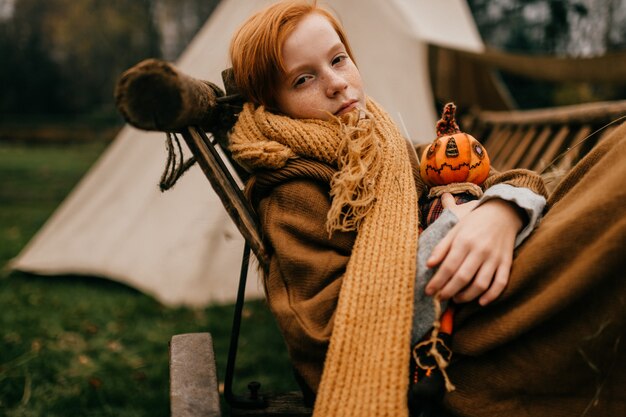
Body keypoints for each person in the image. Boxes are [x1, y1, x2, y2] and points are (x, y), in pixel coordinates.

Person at [226, 1, 626, 416]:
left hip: (497, 282)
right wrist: (450, 229)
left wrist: (499, 214)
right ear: (273, 104)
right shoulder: (293, 190)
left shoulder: (381, 148)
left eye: (339, 59)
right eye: (304, 78)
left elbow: (512, 178)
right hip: (468, 345)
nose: (336, 84)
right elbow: (325, 332)